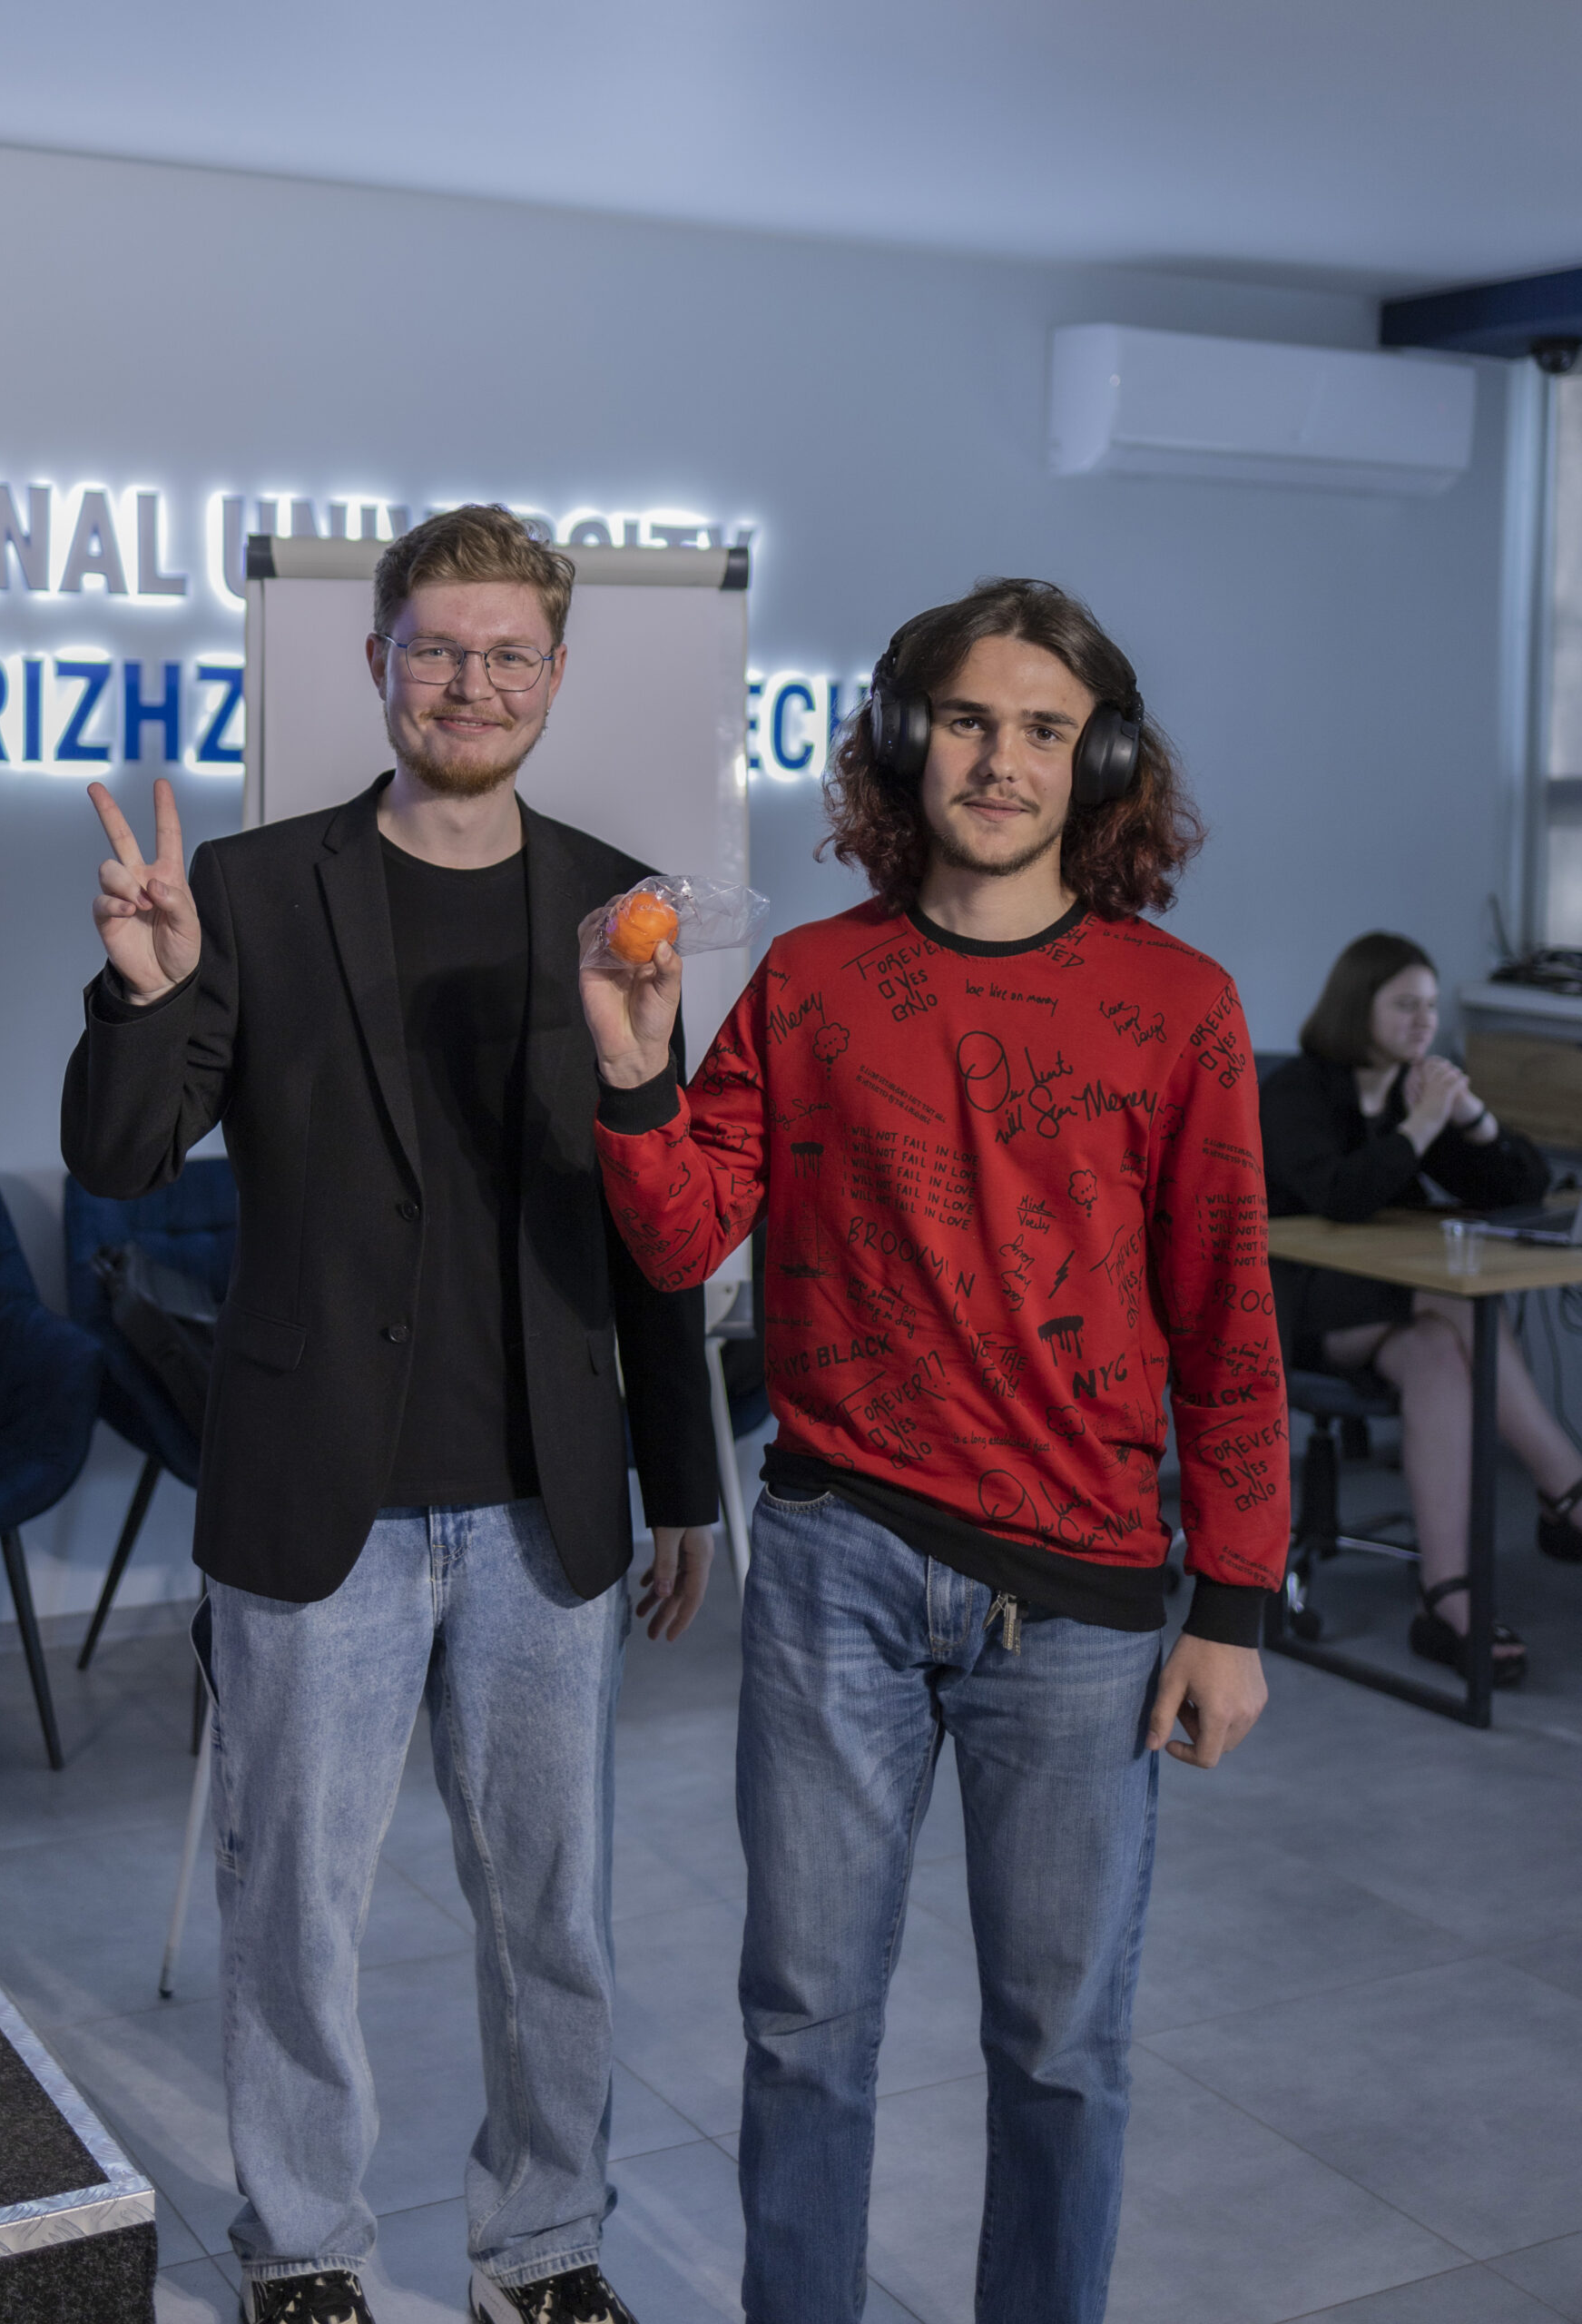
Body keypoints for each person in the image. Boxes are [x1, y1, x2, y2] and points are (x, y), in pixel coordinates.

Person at [579, 577, 1284, 2324]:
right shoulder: (813, 982)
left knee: (1059, 2049)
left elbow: (1225, 1318)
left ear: (1097, 763)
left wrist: (1232, 1607)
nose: (999, 760)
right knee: (802, 2029)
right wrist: (634, 1078)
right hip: (836, 1567)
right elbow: (679, 1241)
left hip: (1085, 1604)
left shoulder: (1178, 1005)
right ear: (906, 740)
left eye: (1043, 729)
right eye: (967, 720)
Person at [62, 505, 719, 2324]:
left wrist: (680, 1475)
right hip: (316, 1499)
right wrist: (145, 991)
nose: (470, 683)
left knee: (554, 1917)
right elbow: (118, 1155)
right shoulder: (254, 889)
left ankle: (543, 2244)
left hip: (543, 1506)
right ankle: (305, 2246)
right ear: (376, 661)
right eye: (437, 648)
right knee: (296, 1912)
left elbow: (650, 1213)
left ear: (556, 674)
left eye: (508, 653)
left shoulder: (620, 899)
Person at [1260, 931, 1582, 1686]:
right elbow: (1341, 1196)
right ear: (1356, 1006)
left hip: (1392, 1312)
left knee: (1439, 1350)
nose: (1424, 1022)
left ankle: (1446, 1598)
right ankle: (1565, 1485)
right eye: (1405, 1004)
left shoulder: (1418, 1091)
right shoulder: (1297, 1092)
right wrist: (1421, 1126)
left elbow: (1518, 1189)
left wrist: (1473, 1119)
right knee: (1449, 1299)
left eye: (1432, 1006)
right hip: (1299, 1310)